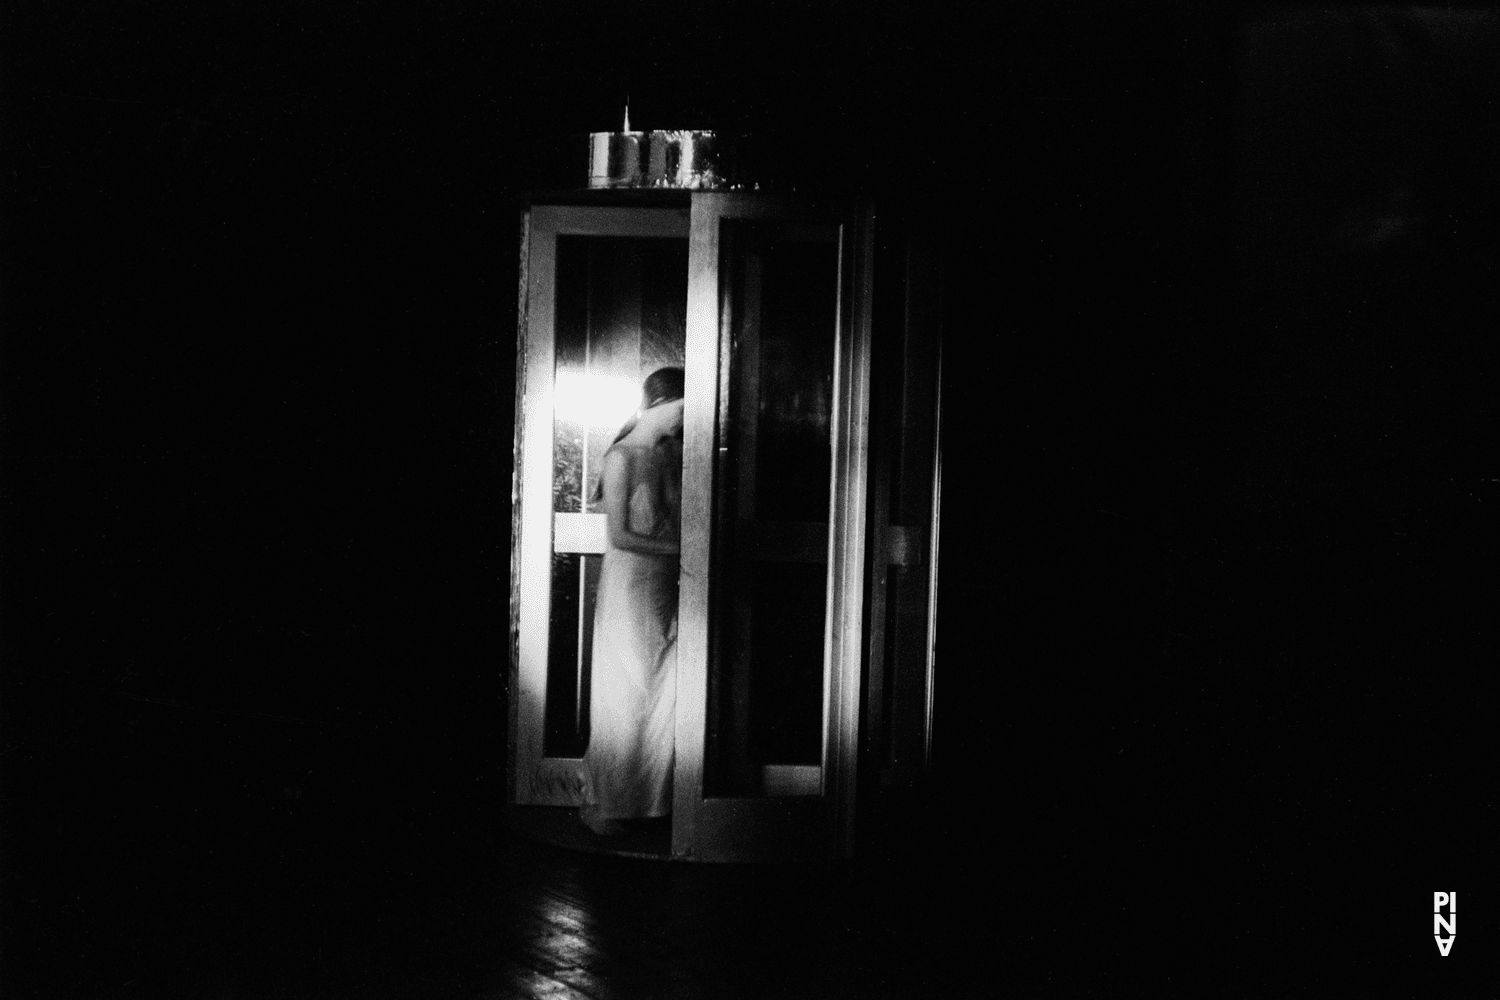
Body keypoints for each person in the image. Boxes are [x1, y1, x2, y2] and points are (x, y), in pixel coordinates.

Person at [577, 367, 684, 837]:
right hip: (629, 585)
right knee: (624, 692)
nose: (685, 421)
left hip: (665, 585)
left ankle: (651, 806)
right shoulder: (621, 457)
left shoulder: (672, 456)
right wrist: (682, 553)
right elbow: (619, 536)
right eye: (682, 410)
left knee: (661, 692)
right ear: (661, 406)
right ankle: (606, 803)